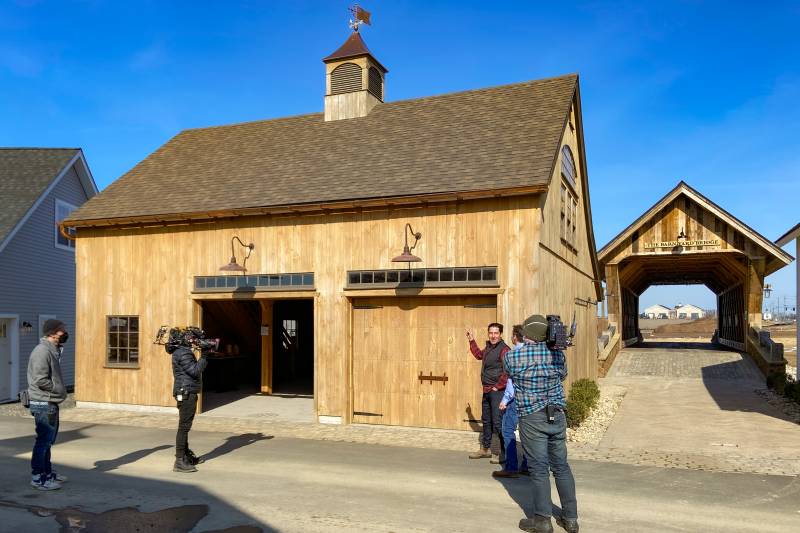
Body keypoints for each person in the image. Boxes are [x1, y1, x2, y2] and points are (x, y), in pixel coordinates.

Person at [504, 314, 578, 533]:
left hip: (531, 416)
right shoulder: (558, 356)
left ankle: (543, 521)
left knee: (538, 470)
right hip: (557, 414)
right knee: (561, 467)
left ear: (526, 334)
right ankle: (571, 519)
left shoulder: (513, 357)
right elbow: (563, 375)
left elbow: (510, 373)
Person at [27, 319, 69, 490]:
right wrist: (57, 388)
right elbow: (40, 379)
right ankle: (38, 477)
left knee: (48, 441)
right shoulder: (42, 351)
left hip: (49, 400)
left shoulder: (52, 350)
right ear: (52, 332)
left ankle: (47, 473)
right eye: (61, 330)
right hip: (43, 401)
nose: (64, 332)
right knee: (43, 441)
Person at [467, 322, 509, 461]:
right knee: (486, 420)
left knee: (498, 423)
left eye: (496, 333)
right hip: (487, 390)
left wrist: (498, 386)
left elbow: (507, 371)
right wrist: (471, 340)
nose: (493, 335)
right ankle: (485, 449)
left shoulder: (504, 349)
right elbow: (479, 355)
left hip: (497, 391)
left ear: (500, 334)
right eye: (491, 333)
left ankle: (503, 453)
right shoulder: (489, 348)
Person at [167, 330, 208, 473]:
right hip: (186, 392)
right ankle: (179, 461)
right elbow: (195, 371)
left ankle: (185, 456)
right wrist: (205, 355)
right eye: (190, 338)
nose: (192, 341)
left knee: (184, 426)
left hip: (185, 391)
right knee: (184, 427)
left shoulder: (180, 351)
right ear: (183, 340)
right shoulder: (183, 353)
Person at [492, 325, 529, 478]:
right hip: (530, 399)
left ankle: (511, 467)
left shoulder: (513, 355)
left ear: (515, 337)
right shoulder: (531, 354)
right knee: (527, 433)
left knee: (508, 430)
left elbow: (511, 381)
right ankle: (527, 465)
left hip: (515, 399)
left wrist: (505, 400)